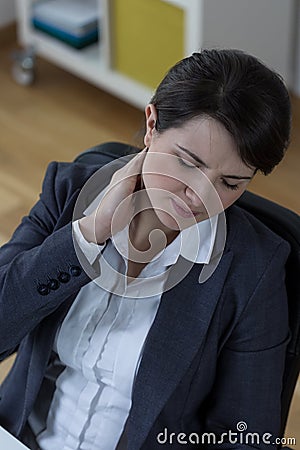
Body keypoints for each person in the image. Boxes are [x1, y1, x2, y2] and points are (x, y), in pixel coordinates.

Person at [0, 48, 292, 450]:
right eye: (188, 162)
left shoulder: (253, 270)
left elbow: (245, 437)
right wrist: (88, 235)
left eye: (230, 183)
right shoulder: (68, 191)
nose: (199, 197)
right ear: (152, 124)